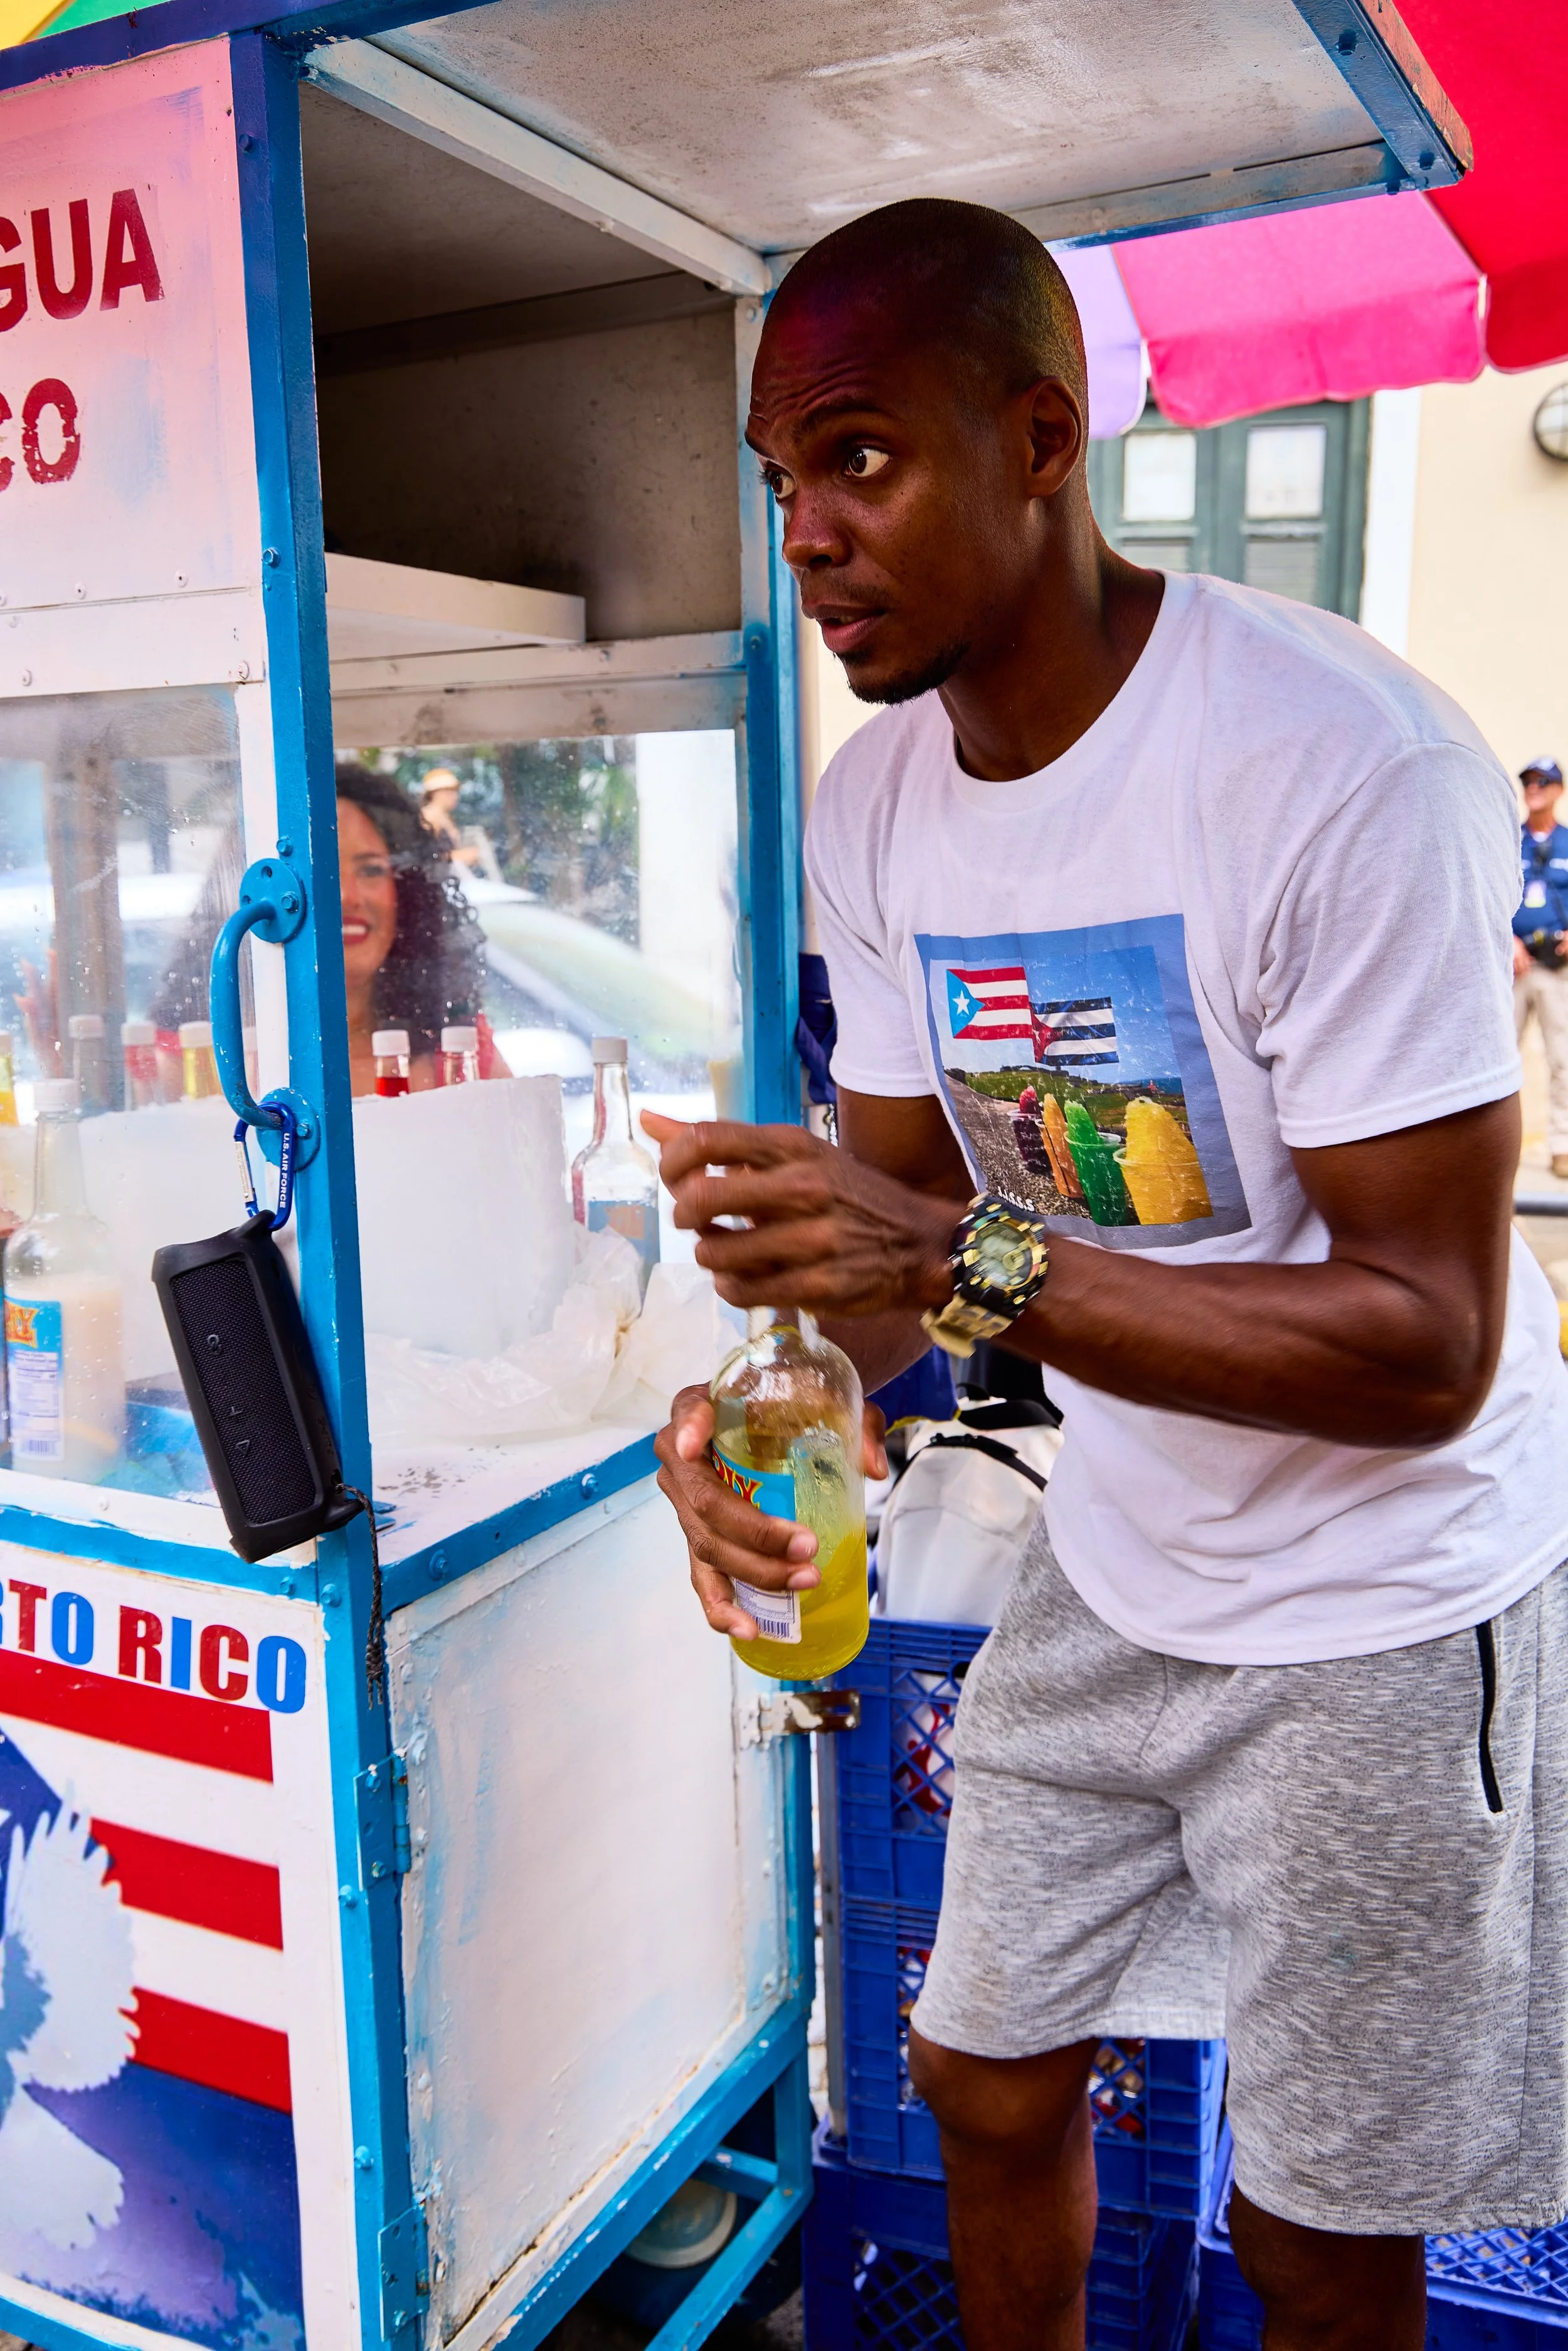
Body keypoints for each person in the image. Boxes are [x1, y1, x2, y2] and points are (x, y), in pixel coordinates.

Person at [644, 199, 1568, 2351]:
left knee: (1324, 2217)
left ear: (1043, 435)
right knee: (977, 2069)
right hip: (1127, 1559)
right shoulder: (876, 810)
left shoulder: (1342, 768)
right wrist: (756, 1409)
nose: (810, 536)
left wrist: (959, 1259)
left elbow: (1428, 1342)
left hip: (1382, 1608)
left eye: (860, 458)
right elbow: (881, 1293)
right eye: (784, 483)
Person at [336, 765, 509, 1094]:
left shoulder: (460, 1053)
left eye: (371, 869)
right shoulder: (230, 1059)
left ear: (410, 895)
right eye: (322, 873)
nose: (346, 896)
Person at [1513, 756, 1568, 1177]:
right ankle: (1499, 1149)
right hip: (1513, 967)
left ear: (1558, 790)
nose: (1535, 787)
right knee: (1499, 1057)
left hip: (1555, 968)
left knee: (1562, 1059)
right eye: (1529, 781)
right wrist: (1507, 939)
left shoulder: (1567, 841)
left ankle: (1561, 1146)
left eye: (1543, 782)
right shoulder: (1511, 841)